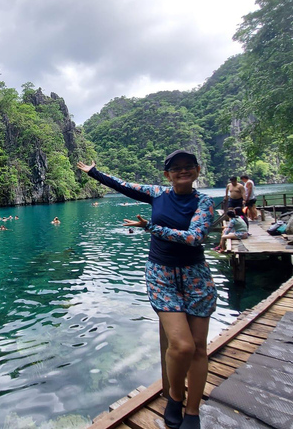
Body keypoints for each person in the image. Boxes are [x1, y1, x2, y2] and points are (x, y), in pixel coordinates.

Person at [78, 150, 215, 429]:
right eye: (176, 169)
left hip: (196, 276)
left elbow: (195, 237)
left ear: (197, 170)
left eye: (188, 167)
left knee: (199, 349)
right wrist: (94, 173)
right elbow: (124, 186)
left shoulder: (204, 201)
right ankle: (175, 397)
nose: (182, 171)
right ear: (168, 175)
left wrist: (152, 227)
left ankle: (193, 411)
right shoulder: (157, 193)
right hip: (161, 274)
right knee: (182, 345)